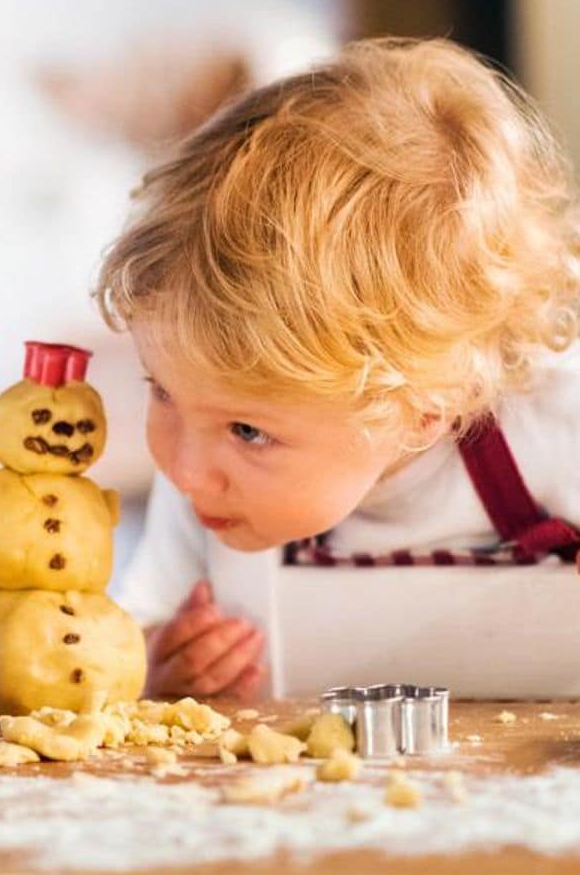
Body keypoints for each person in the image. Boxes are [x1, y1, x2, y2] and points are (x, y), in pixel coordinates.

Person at [94, 37, 580, 701]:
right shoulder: (205, 471)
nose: (183, 470)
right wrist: (154, 664)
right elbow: (129, 635)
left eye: (248, 431)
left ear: (425, 408)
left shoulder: (560, 420)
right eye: (162, 390)